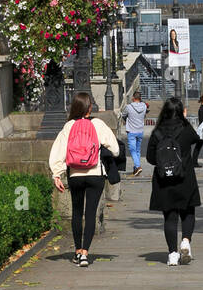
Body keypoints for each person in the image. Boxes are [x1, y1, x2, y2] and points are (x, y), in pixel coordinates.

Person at [49, 92, 120, 267]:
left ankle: (77, 250)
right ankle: (85, 254)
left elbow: (58, 151)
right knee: (90, 214)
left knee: (76, 212)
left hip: (75, 175)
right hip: (95, 173)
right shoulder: (98, 124)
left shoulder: (69, 126)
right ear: (90, 108)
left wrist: (57, 174)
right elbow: (116, 149)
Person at [146, 95, 202, 266]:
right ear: (180, 112)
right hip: (185, 177)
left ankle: (172, 254)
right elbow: (196, 139)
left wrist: (165, 164)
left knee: (169, 216)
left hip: (164, 179)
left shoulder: (157, 132)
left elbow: (150, 157)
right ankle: (185, 241)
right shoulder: (186, 129)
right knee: (188, 212)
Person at [121, 87, 148, 176]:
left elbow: (123, 115)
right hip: (140, 130)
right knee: (137, 150)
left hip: (131, 131)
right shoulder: (144, 106)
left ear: (133, 98)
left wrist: (126, 119)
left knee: (132, 150)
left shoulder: (129, 107)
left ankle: (138, 166)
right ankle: (136, 168)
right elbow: (144, 114)